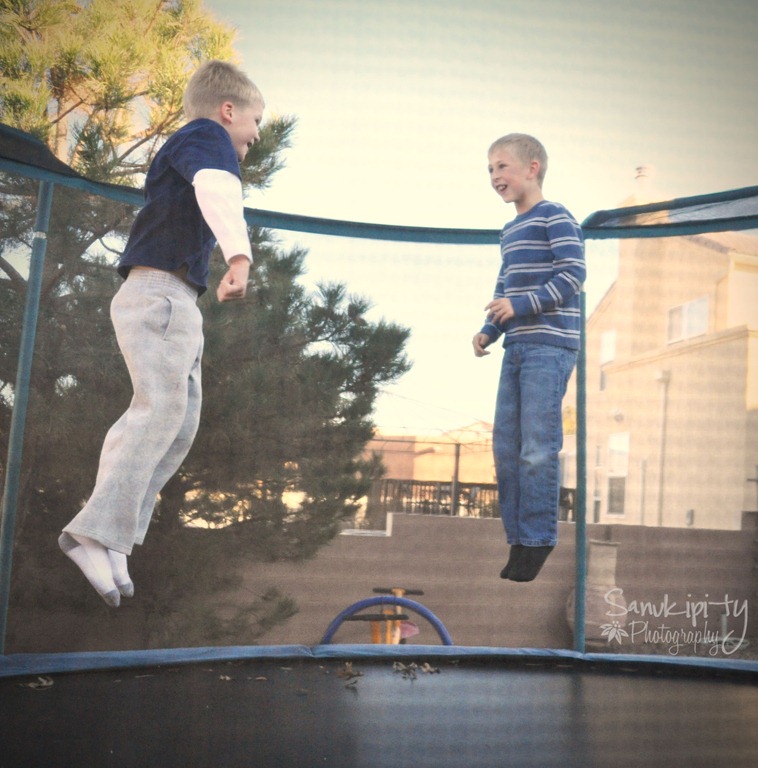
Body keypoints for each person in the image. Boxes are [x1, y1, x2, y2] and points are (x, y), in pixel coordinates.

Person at [59, 60, 264, 606]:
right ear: (228, 111)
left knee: (178, 423)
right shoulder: (207, 136)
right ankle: (92, 532)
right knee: (157, 411)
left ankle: (113, 532)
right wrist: (239, 256)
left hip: (176, 301)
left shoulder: (198, 145)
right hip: (159, 295)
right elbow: (218, 187)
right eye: (255, 121)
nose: (257, 135)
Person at [472, 133, 585, 582]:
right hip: (517, 347)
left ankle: (538, 539)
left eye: (502, 166)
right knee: (506, 448)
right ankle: (519, 539)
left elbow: (573, 274)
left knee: (537, 447)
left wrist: (521, 305)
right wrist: (489, 329)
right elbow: (506, 288)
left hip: (550, 347)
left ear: (532, 167)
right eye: (490, 169)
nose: (494, 176)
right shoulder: (510, 231)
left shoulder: (555, 215)